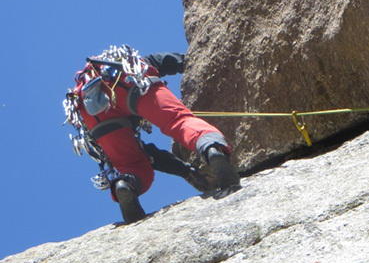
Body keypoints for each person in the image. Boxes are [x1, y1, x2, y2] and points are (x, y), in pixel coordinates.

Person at [64, 45, 239, 224]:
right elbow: (163, 61)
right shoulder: (131, 62)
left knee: (131, 164)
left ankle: (126, 184)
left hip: (89, 112)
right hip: (126, 79)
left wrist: (187, 172)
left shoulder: (90, 83)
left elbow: (151, 156)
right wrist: (190, 62)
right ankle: (212, 148)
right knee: (178, 120)